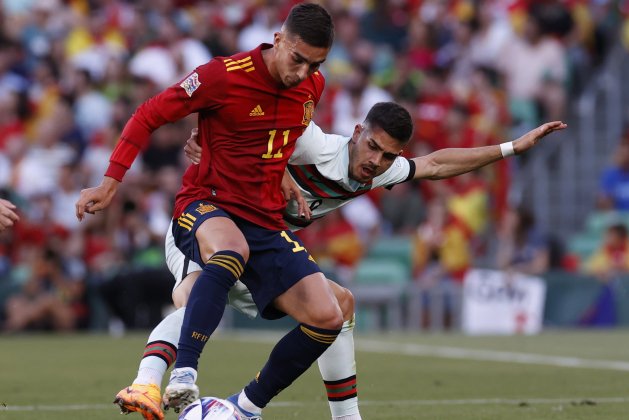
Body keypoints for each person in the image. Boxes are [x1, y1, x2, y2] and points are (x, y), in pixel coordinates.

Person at [179, 102, 566, 411]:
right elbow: (252, 126)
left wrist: (512, 147)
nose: (376, 162)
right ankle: (185, 389)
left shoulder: (381, 171)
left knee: (340, 307)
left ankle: (332, 415)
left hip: (262, 248)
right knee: (188, 304)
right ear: (358, 132)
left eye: (387, 156)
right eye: (373, 148)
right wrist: (205, 139)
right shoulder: (314, 146)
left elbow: (436, 164)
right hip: (210, 227)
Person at [76, 3, 339, 419]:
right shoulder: (223, 75)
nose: (303, 73)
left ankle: (246, 408)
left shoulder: (312, 85)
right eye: (298, 59)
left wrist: (285, 178)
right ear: (278, 40)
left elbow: (277, 139)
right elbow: (149, 113)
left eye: (316, 64)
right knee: (231, 251)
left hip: (265, 220)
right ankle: (183, 375)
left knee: (328, 316)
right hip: (207, 203)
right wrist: (111, 182)